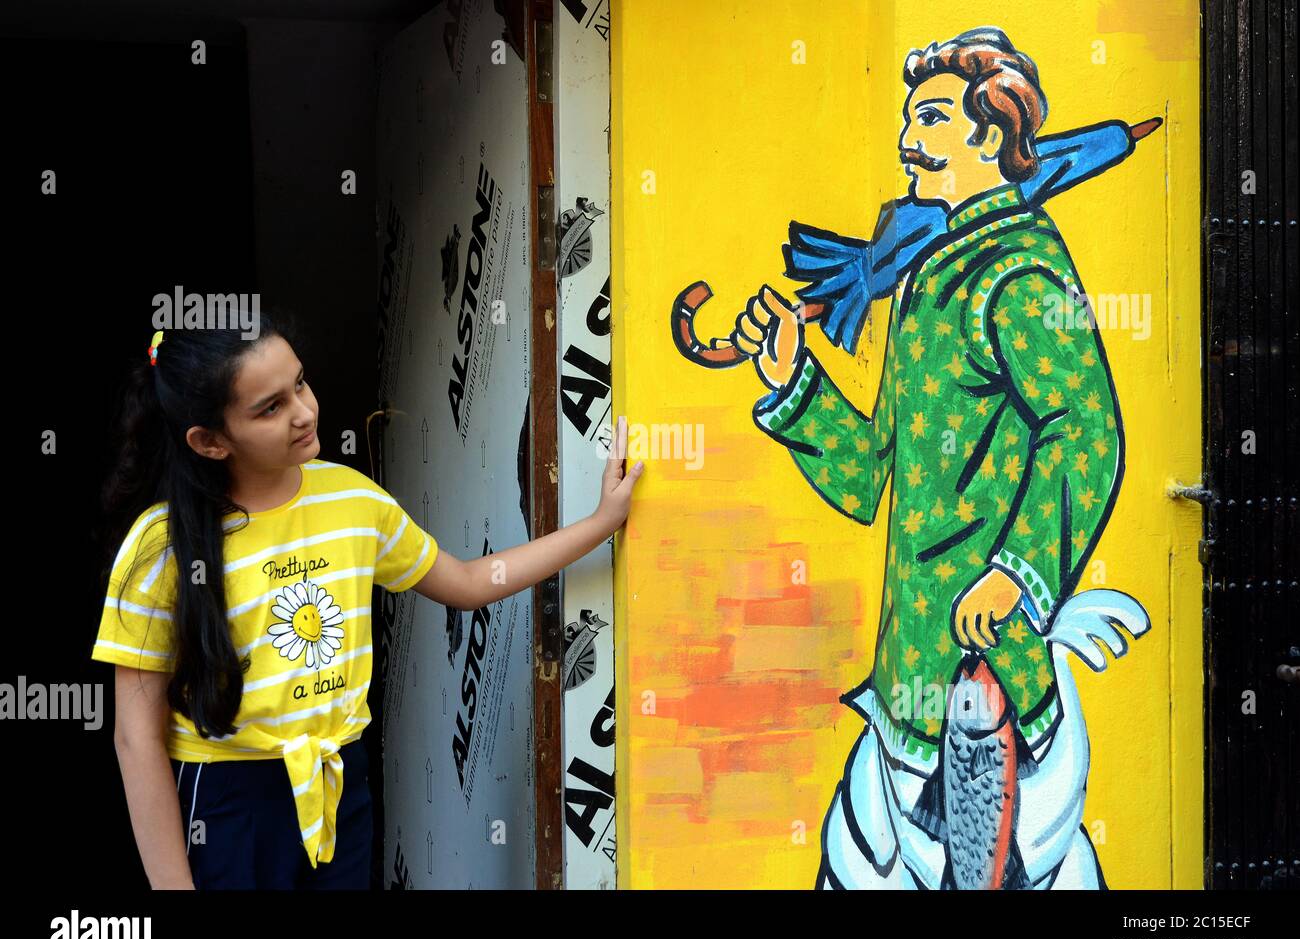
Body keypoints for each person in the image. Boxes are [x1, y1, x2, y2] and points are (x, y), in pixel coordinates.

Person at [735, 28, 1148, 888]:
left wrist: (1018, 573)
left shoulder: (1020, 271)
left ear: (991, 137)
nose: (906, 140)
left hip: (986, 682)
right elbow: (871, 477)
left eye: (928, 118)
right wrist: (794, 384)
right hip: (906, 678)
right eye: (906, 118)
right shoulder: (932, 271)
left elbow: (1089, 434)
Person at [91, 311, 642, 890]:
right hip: (229, 807)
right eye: (270, 407)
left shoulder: (352, 500)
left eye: (299, 383)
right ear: (209, 441)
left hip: (340, 787)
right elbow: (135, 737)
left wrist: (600, 523)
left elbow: (470, 582)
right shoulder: (162, 549)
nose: (304, 411)